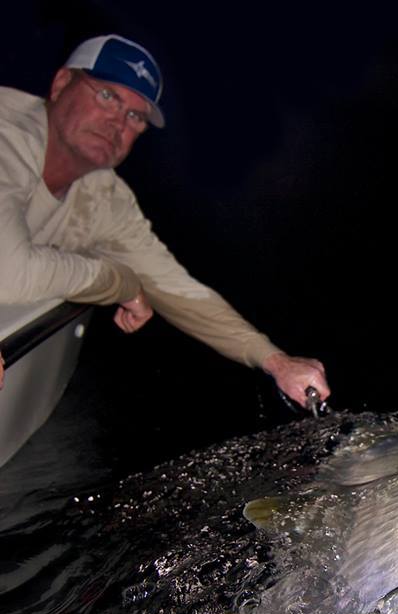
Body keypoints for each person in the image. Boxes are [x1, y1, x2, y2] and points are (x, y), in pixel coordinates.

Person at [0, 34, 330, 404]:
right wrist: (120, 283)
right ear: (61, 84)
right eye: (107, 96)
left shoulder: (105, 196)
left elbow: (175, 287)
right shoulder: (7, 134)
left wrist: (277, 361)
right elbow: (10, 274)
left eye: (134, 116)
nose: (117, 122)